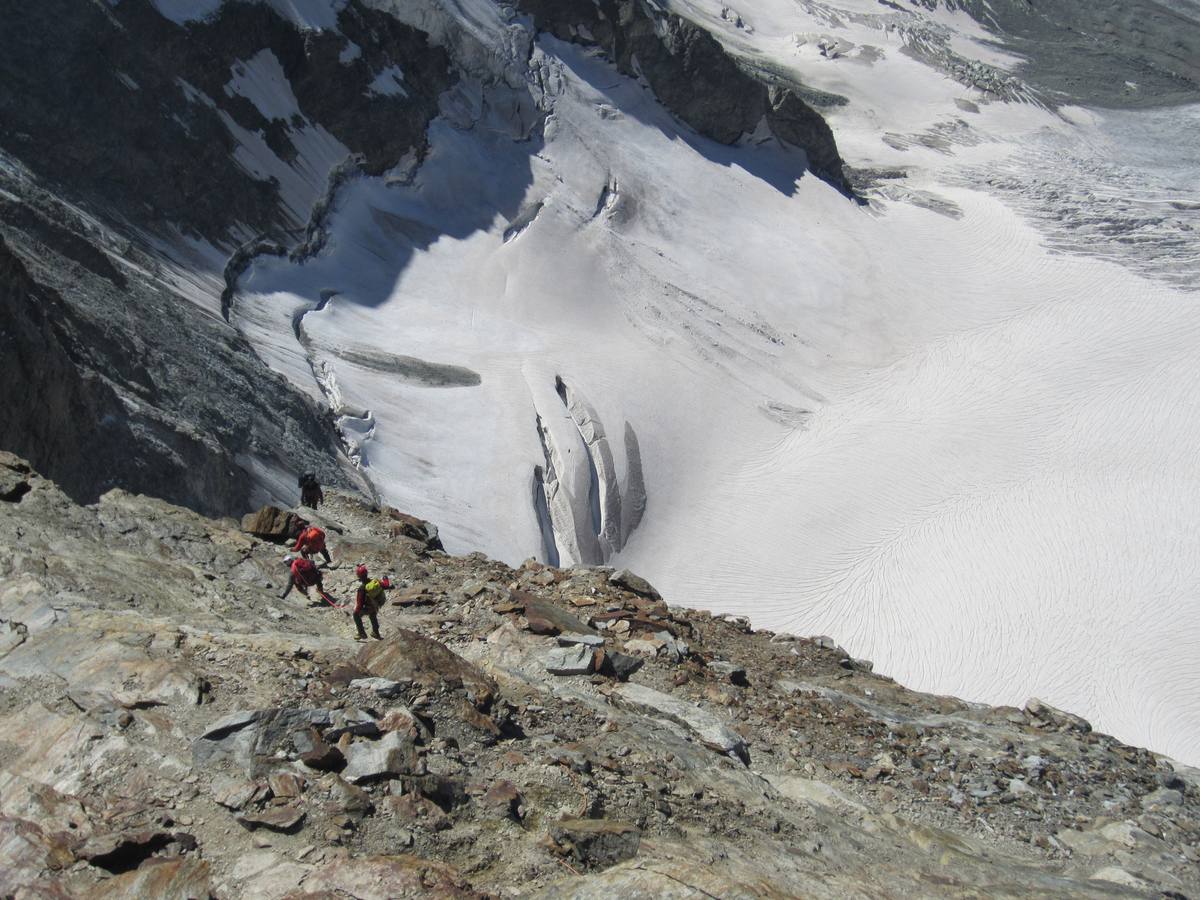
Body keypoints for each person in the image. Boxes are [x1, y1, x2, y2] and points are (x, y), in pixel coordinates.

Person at [352, 564, 391, 641]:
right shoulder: (375, 582)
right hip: (376, 605)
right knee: (372, 615)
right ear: (366, 574)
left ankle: (361, 633)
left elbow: (359, 605)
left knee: (356, 615)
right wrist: (385, 578)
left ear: (359, 576)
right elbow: (386, 585)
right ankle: (376, 633)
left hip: (368, 607)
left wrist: (356, 611)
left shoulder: (362, 589)